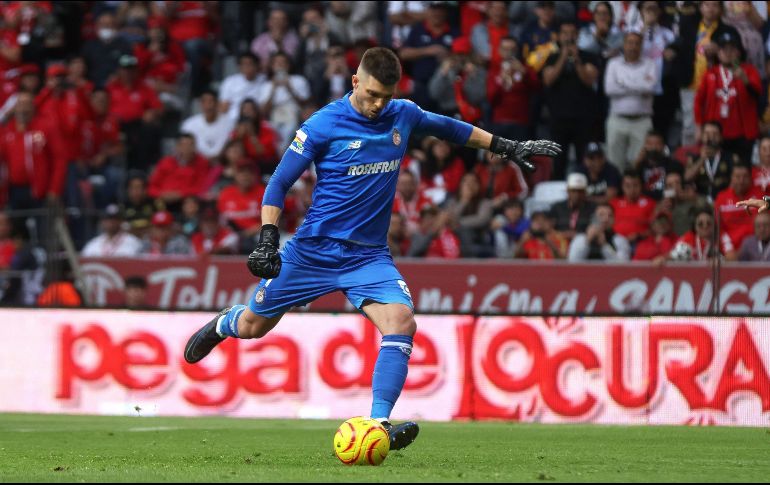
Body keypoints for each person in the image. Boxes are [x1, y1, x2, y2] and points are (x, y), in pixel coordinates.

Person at [183, 47, 560, 451]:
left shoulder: (403, 113)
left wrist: (506, 146)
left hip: (368, 256)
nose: (379, 104)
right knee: (252, 327)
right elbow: (279, 182)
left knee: (401, 322)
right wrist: (268, 237)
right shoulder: (323, 124)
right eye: (372, 94)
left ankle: (378, 423)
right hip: (312, 252)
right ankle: (224, 323)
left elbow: (451, 129)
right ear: (355, 82)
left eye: (387, 96)